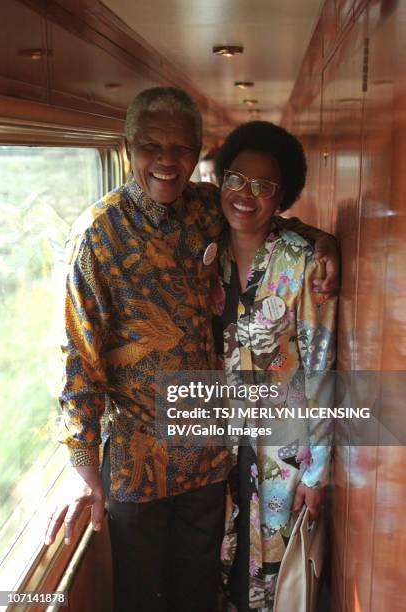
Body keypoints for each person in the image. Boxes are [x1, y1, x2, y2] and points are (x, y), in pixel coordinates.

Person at [43, 87, 338, 612]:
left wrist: (323, 243)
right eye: (152, 145)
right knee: (144, 599)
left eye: (181, 149)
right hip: (138, 465)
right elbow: (77, 358)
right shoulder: (97, 235)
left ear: (197, 152)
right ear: (129, 146)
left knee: (201, 594)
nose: (166, 161)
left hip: (206, 460)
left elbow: (267, 220)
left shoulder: (205, 207)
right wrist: (84, 467)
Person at [212, 121, 337, 611]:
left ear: (282, 198)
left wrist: (316, 474)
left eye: (264, 187)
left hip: (283, 452)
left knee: (272, 577)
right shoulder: (203, 251)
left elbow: (322, 368)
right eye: (238, 180)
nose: (247, 195)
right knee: (221, 566)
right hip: (215, 442)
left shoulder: (303, 261)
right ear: (222, 181)